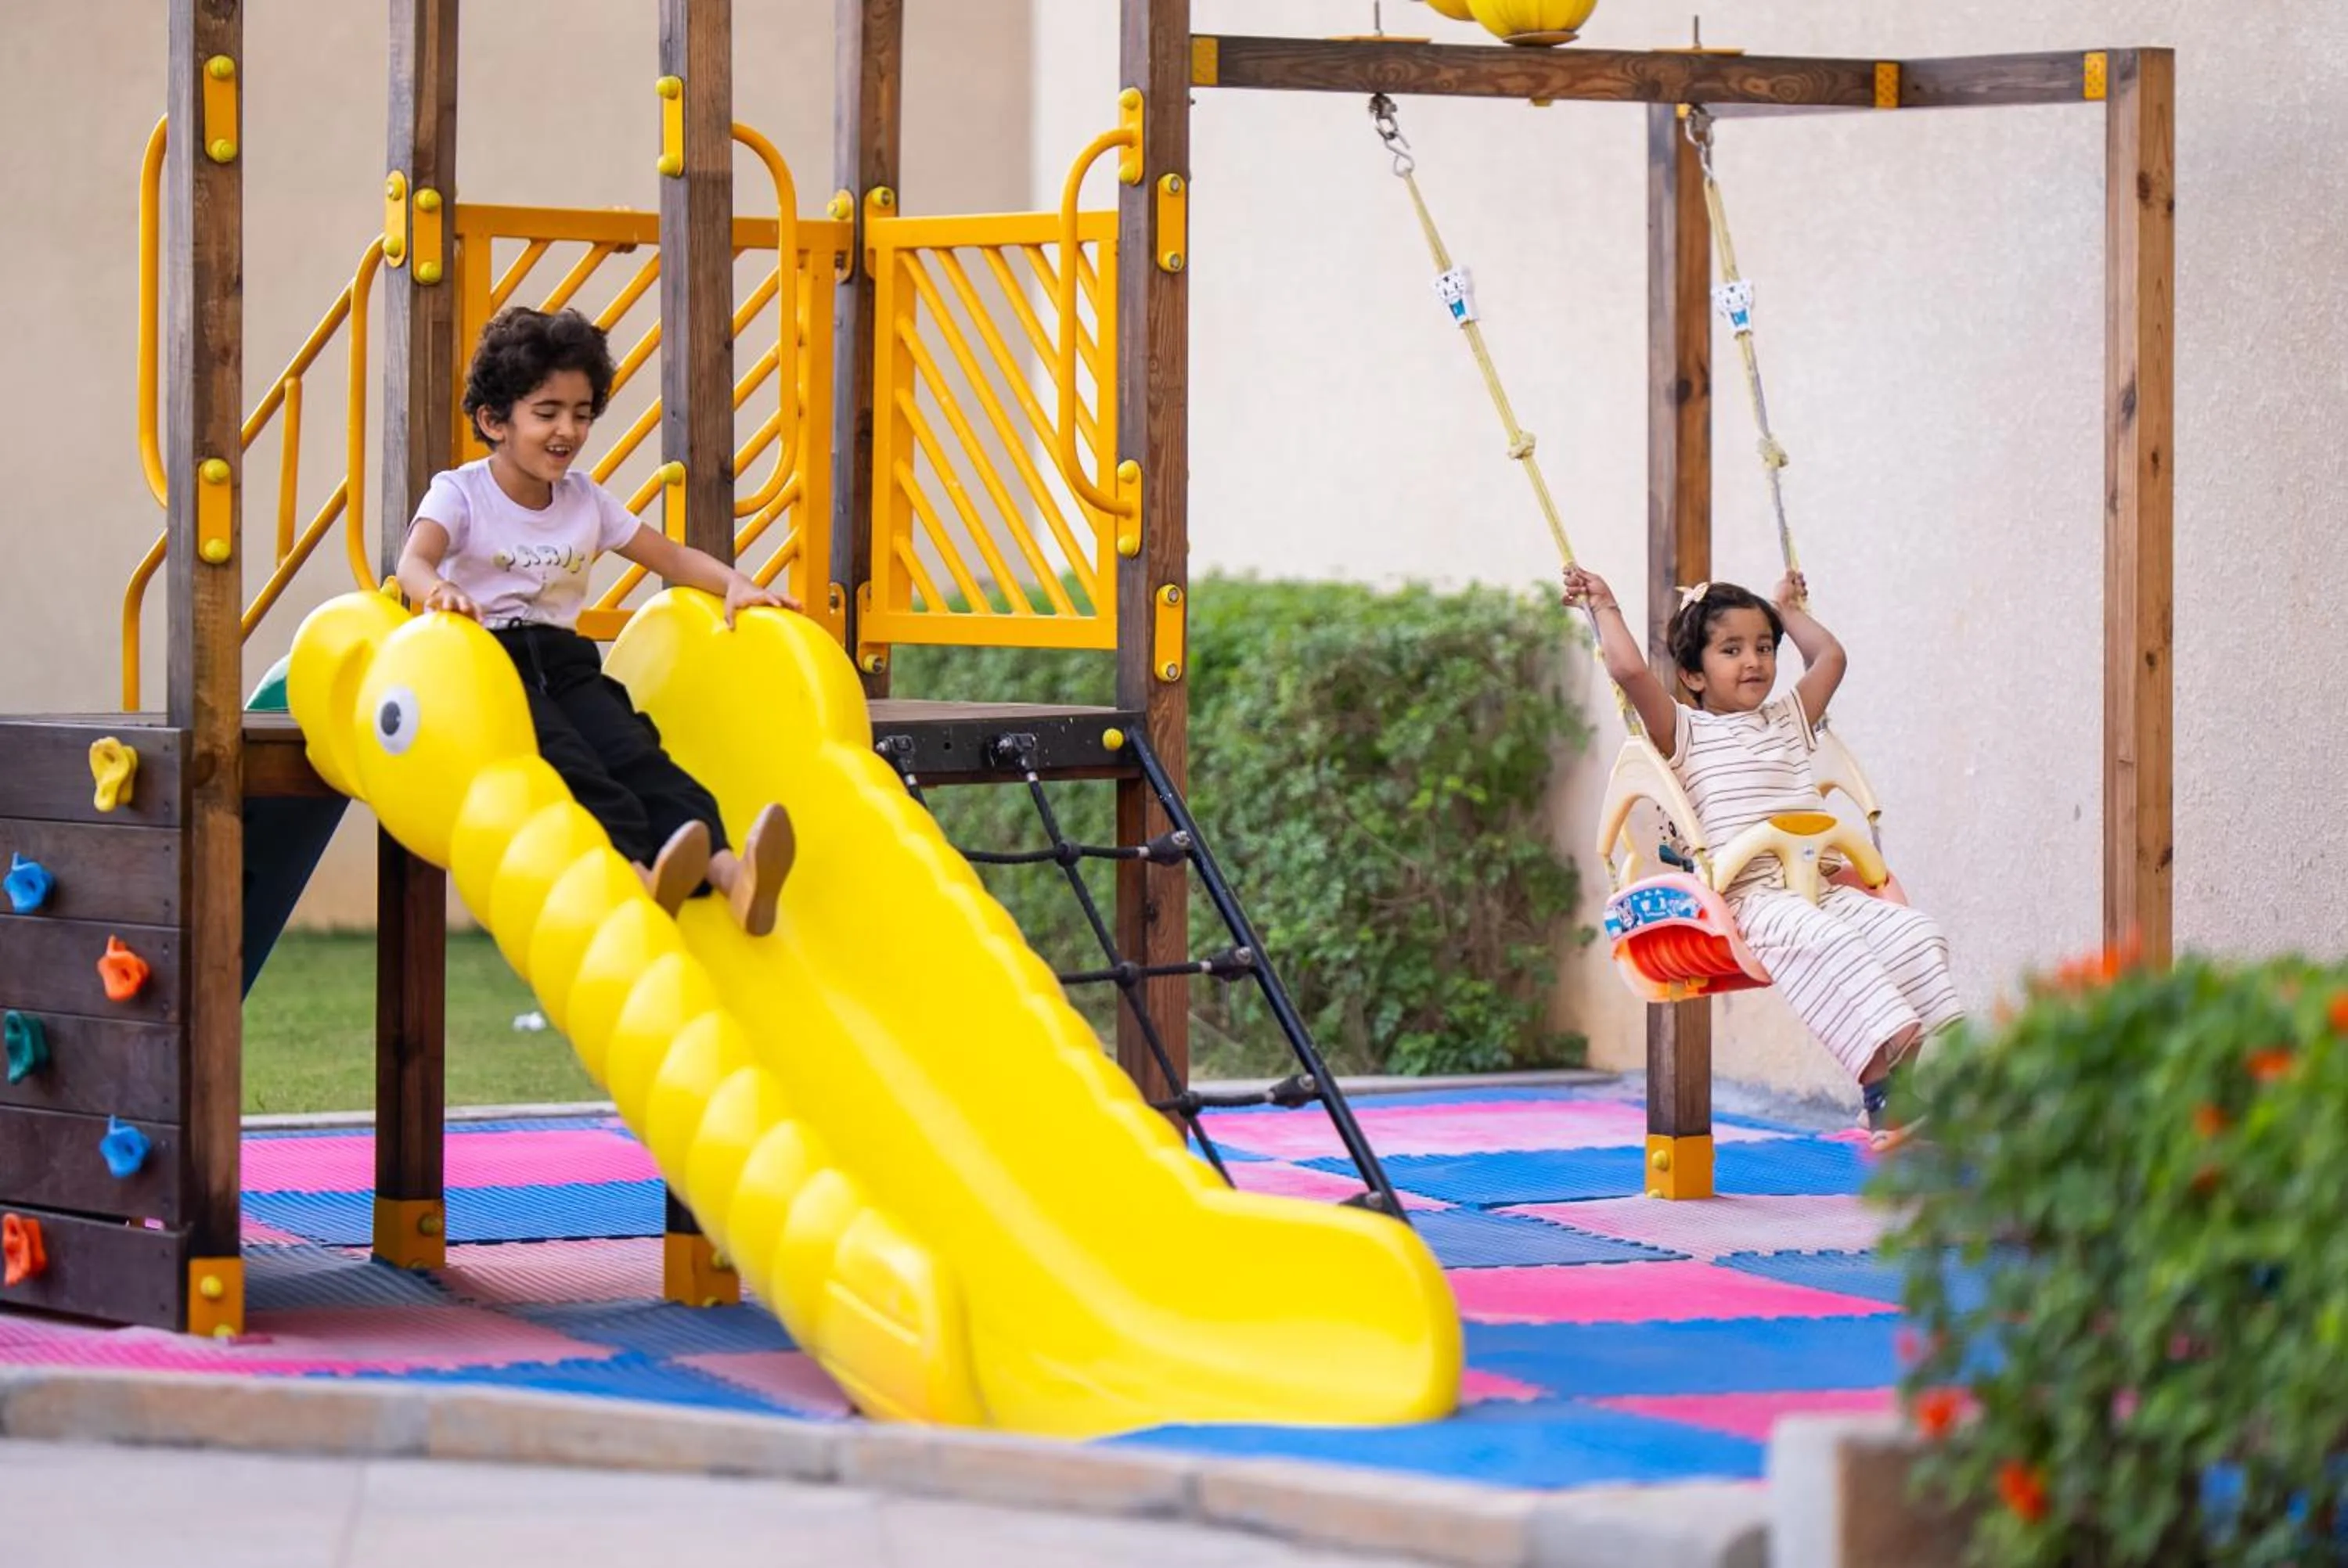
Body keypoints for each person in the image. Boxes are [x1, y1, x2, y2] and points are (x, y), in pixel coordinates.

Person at [393, 305, 795, 936]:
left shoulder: (585, 499)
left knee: (637, 754)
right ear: (495, 420)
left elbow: (671, 556)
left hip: (566, 664)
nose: (568, 431)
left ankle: (729, 873)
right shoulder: (461, 492)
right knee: (574, 765)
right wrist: (440, 591)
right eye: (547, 413)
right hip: (492, 670)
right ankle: (637, 876)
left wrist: (736, 584)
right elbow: (412, 561)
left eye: (581, 415)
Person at [1561, 565, 1959, 1145]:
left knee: (1915, 933)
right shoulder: (1684, 731)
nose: (1754, 661)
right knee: (1830, 945)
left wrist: (1790, 612)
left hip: (1818, 887)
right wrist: (1604, 606)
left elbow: (1832, 660)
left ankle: (1910, 1084)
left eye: (1765, 647)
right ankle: (1883, 1098)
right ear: (1694, 674)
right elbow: (1628, 670)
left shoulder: (1790, 719)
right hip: (1752, 899)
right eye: (1732, 649)